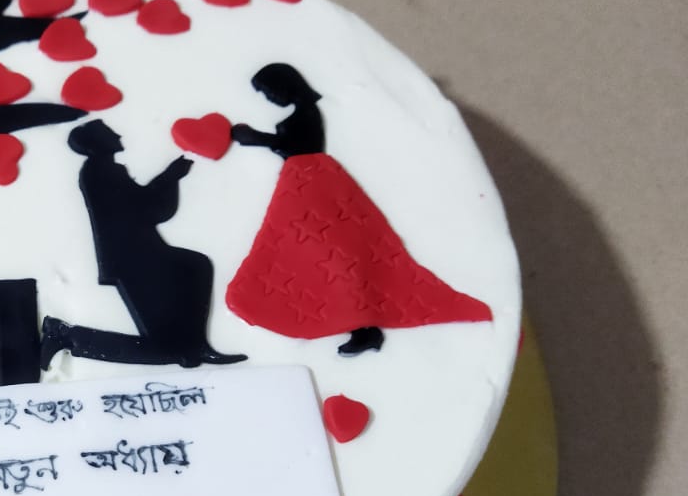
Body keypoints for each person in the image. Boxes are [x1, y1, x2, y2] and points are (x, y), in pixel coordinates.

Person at [226, 64, 492, 354]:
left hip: (314, 185)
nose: (268, 99)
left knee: (333, 252)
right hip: (302, 181)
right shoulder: (302, 113)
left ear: (284, 86)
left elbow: (297, 144)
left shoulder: (306, 113)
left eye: (268, 92)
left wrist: (257, 138)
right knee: (315, 253)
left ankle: (363, 325)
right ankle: (355, 323)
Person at [41, 120, 244, 368]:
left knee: (193, 269)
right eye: (109, 132)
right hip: (132, 256)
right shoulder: (101, 172)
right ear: (98, 142)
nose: (118, 133)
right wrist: (170, 176)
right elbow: (146, 208)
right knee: (166, 336)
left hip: (138, 251)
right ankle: (65, 335)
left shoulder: (104, 169)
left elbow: (141, 205)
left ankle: (193, 348)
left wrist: (169, 177)